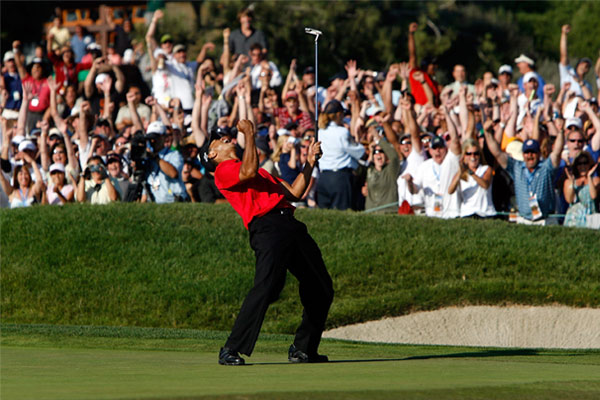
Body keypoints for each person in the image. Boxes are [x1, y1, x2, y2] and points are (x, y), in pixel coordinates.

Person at [204, 119, 333, 366]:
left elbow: (295, 193)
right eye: (218, 140)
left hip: (290, 225)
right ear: (212, 154)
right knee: (266, 285)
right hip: (267, 227)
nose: (224, 138)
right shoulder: (223, 171)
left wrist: (309, 163)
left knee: (322, 287)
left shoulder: (260, 171)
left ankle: (303, 348)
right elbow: (248, 172)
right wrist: (250, 134)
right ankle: (231, 348)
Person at [483, 121, 564, 225]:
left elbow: (557, 152)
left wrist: (561, 132)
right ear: (523, 154)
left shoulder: (546, 167)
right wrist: (487, 133)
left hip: (546, 220)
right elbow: (497, 153)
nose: (530, 155)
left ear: (539, 153)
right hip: (524, 221)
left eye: (533, 152)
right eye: (527, 152)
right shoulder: (516, 167)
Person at [317, 100, 365, 210]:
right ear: (338, 115)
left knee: (324, 216)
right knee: (341, 213)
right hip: (340, 178)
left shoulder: (320, 132)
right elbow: (358, 152)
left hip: (323, 178)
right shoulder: (342, 132)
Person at [448, 138, 496, 218]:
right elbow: (450, 190)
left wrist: (471, 172)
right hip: (467, 212)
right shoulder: (461, 173)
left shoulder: (486, 169)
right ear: (464, 155)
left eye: (476, 153)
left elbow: (485, 185)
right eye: (469, 153)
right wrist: (461, 171)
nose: (473, 156)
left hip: (486, 213)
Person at [563, 152, 599, 227]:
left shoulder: (595, 180)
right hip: (574, 217)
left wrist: (589, 177)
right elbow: (569, 200)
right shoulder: (568, 182)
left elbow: (593, 196)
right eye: (579, 163)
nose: (582, 166)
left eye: (585, 163)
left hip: (591, 216)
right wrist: (572, 182)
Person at [559, 24, 592, 99]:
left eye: (587, 66)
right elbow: (564, 55)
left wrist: (581, 84)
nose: (584, 67)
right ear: (578, 64)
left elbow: (590, 101)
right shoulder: (568, 73)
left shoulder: (587, 85)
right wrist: (564, 34)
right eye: (583, 64)